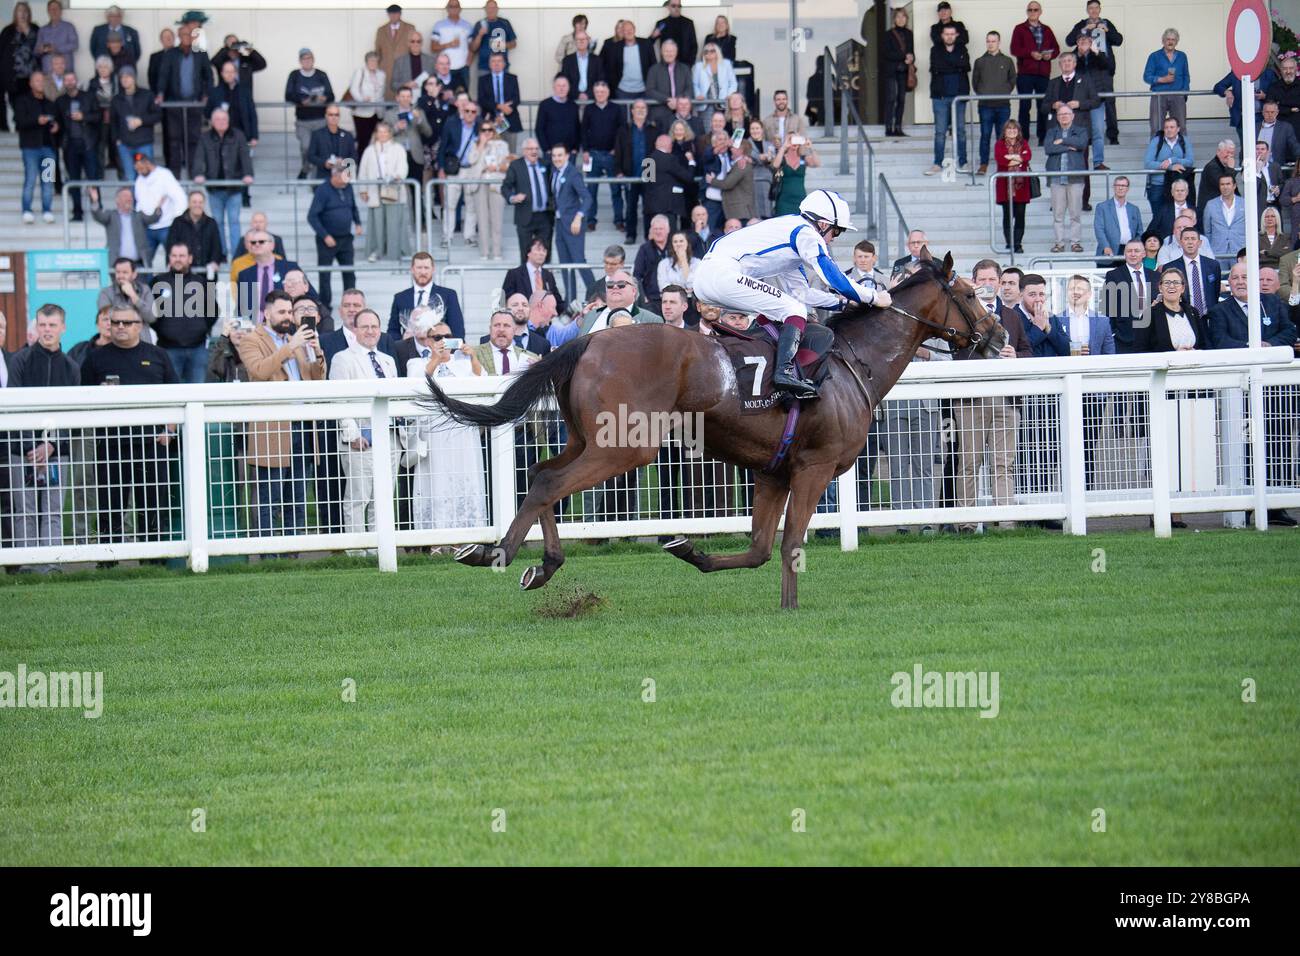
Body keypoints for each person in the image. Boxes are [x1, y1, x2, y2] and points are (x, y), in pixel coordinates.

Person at [692, 189, 891, 399]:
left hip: (709, 278)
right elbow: (833, 277)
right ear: (823, 224)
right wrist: (874, 297)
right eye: (837, 231)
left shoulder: (790, 237)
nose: (834, 238)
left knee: (783, 309)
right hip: (721, 275)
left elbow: (801, 294)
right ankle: (783, 373)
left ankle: (760, 359)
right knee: (792, 310)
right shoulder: (806, 233)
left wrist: (841, 304)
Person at [79, 304, 180, 545]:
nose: (120, 327)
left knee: (153, 505)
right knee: (110, 507)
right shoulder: (95, 358)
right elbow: (82, 399)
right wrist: (98, 396)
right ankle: (109, 561)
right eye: (115, 323)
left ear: (140, 326)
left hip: (152, 443)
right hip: (111, 445)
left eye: (127, 322)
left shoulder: (158, 355)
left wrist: (169, 430)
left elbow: (176, 395)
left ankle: (154, 562)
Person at [235, 291, 327, 541]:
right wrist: (291, 346)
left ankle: (293, 552)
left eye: (290, 312)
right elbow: (258, 371)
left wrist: (317, 352)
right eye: (282, 312)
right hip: (272, 427)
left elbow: (317, 378)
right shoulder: (252, 339)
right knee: (269, 496)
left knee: (297, 496)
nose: (288, 317)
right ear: (267, 314)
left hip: (304, 427)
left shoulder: (295, 340)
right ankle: (268, 553)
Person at [4, 304, 79, 564]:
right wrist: (30, 447)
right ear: (36, 326)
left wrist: (51, 446)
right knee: (24, 510)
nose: (47, 331)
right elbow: (13, 407)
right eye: (43, 325)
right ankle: (28, 564)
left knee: (53, 510)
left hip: (57, 453)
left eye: (52, 325)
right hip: (21, 451)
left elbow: (72, 416)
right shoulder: (20, 361)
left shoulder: (71, 367)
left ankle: (51, 564)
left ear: (63, 328)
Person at [326, 307, 404, 548]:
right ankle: (356, 550)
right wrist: (352, 435)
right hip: (361, 438)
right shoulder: (343, 358)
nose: (370, 331)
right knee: (359, 496)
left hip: (390, 437)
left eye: (374, 327)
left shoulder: (387, 361)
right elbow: (339, 399)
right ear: (355, 329)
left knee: (382, 497)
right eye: (365, 327)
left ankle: (378, 547)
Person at [410, 317, 487, 532]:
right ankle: (435, 535)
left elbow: (482, 384)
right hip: (434, 433)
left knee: (464, 477)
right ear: (428, 341)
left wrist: (473, 357)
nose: (443, 341)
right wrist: (435, 359)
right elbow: (417, 384)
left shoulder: (462, 364)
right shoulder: (416, 363)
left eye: (448, 337)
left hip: (463, 431)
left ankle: (465, 532)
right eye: (437, 337)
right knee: (437, 480)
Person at [150, 241, 220, 384]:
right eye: (174, 255)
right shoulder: (157, 282)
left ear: (190, 258)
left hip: (198, 350)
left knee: (197, 395)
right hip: (168, 349)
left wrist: (200, 328)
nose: (178, 259)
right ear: (169, 258)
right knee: (170, 395)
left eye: (182, 255)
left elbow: (213, 311)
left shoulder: (201, 282)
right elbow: (150, 313)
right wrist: (164, 330)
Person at [190, 109, 253, 259]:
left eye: (224, 119)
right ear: (212, 122)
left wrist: (248, 174)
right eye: (217, 119)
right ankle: (222, 253)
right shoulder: (205, 137)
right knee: (217, 222)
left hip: (234, 189)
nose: (221, 122)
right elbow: (199, 157)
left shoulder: (238, 135)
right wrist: (198, 173)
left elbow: (245, 156)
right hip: (214, 189)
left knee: (234, 221)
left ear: (228, 120)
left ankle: (237, 254)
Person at [154, 23, 211, 177]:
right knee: (174, 141)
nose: (186, 37)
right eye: (183, 35)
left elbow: (208, 76)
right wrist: (160, 93)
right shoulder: (171, 53)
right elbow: (163, 75)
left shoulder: (201, 53)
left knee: (193, 140)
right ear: (179, 37)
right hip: (174, 105)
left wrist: (206, 94)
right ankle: (175, 177)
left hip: (194, 104)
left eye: (189, 34)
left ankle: (193, 175)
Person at [1066, 1, 1123, 145]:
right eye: (1090, 8)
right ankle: (1089, 136)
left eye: (1096, 8)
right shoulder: (1081, 24)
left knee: (1109, 102)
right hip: (1086, 71)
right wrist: (1084, 29)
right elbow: (1069, 41)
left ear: (1100, 9)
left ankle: (1113, 136)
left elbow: (1118, 40)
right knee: (1088, 102)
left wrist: (1107, 31)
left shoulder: (1106, 23)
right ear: (1087, 10)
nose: (1093, 11)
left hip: (1104, 69)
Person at [308, 166, 364, 307]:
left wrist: (357, 223)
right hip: (327, 240)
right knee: (325, 274)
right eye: (344, 179)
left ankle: (352, 303)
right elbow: (312, 216)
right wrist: (325, 235)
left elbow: (353, 207)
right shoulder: (323, 190)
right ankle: (325, 305)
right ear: (335, 176)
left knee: (349, 273)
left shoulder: (348, 187)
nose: (346, 182)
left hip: (345, 238)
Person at [358, 121, 412, 262]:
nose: (382, 134)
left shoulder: (398, 148)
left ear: (390, 133)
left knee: (394, 222)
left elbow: (403, 167)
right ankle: (376, 251)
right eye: (380, 131)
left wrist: (397, 176)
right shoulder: (369, 150)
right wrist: (363, 189)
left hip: (393, 190)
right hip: (374, 191)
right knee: (376, 223)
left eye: (385, 131)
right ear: (376, 134)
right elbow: (363, 170)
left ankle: (396, 252)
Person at [550, 144, 595, 305]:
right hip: (560, 223)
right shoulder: (555, 172)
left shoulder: (573, 173)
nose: (557, 158)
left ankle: (596, 295)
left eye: (560, 155)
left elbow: (587, 198)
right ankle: (571, 301)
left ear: (567, 156)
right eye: (554, 155)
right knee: (565, 265)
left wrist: (579, 217)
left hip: (573, 224)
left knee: (578, 261)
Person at [54, 71, 100, 223]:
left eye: (71, 79)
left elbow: (98, 117)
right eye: (66, 80)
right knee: (73, 180)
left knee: (93, 179)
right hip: (70, 146)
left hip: (88, 144)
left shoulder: (89, 96)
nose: (69, 82)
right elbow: (57, 122)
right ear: (64, 83)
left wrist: (83, 117)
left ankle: (97, 208)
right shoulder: (60, 101)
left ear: (76, 81)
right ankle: (77, 212)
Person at [1010, 3, 1058, 146]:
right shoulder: (1019, 28)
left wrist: (1051, 56)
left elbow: (1056, 49)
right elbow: (1014, 49)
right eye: (1030, 10)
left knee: (1043, 106)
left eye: (1035, 9)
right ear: (1027, 12)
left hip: (1043, 73)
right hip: (1025, 74)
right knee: (1025, 106)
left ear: (1040, 12)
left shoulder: (1047, 29)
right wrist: (1030, 54)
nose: (1032, 12)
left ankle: (1042, 137)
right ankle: (1023, 138)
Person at [501, 138, 556, 262]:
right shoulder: (516, 166)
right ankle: (526, 280)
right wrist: (512, 197)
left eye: (536, 149)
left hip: (545, 216)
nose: (534, 151)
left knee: (545, 253)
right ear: (524, 151)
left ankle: (544, 279)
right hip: (525, 216)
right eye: (531, 149)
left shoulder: (545, 164)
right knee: (526, 255)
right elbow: (505, 187)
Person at [580, 81, 624, 232]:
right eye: (597, 92)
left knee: (616, 190)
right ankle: (591, 220)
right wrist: (585, 150)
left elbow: (621, 132)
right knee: (591, 190)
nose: (600, 94)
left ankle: (619, 220)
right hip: (593, 154)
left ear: (608, 92)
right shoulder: (589, 109)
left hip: (611, 155)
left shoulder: (616, 109)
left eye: (602, 91)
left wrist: (616, 150)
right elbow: (584, 131)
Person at [437, 94, 481, 246]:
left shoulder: (481, 126)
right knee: (450, 204)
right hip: (454, 169)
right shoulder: (452, 123)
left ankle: (469, 236)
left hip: (472, 170)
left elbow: (500, 130)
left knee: (471, 205)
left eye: (473, 111)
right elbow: (442, 147)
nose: (470, 114)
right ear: (463, 111)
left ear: (477, 113)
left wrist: (501, 120)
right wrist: (441, 168)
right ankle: (447, 237)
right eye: (467, 111)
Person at [926, 23, 969, 176]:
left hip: (959, 96)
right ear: (942, 35)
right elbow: (936, 67)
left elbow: (966, 66)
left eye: (952, 34)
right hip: (940, 96)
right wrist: (955, 66)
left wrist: (948, 65)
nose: (949, 36)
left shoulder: (962, 49)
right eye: (946, 34)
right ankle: (938, 163)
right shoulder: (935, 50)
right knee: (940, 132)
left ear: (956, 35)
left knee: (961, 131)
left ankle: (962, 162)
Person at [388, 252, 464, 340]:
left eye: (426, 268)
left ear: (433, 269)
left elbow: (457, 330)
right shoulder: (400, 298)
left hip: (440, 350)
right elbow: (393, 330)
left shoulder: (448, 295)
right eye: (419, 268)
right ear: (412, 269)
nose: (423, 272)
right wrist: (400, 345)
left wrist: (447, 350)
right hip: (408, 351)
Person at [284, 48, 334, 180]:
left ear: (313, 60)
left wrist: (324, 98)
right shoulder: (294, 75)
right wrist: (301, 100)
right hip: (303, 120)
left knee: (320, 148)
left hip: (320, 118)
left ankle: (317, 176)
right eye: (304, 59)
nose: (307, 61)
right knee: (306, 147)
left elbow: (331, 95)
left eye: (309, 58)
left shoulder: (321, 75)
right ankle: (306, 168)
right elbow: (288, 94)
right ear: (300, 61)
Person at [464, 117, 510, 260]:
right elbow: (471, 160)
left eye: (490, 129)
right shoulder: (475, 144)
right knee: (482, 219)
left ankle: (497, 252)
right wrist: (481, 145)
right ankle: (484, 252)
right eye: (483, 130)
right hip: (480, 183)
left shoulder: (502, 144)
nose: (487, 132)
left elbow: (506, 165)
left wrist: (494, 167)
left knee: (496, 219)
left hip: (496, 182)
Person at [14, 71, 56, 224]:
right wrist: (36, 120)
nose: (40, 83)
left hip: (48, 148)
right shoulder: (22, 101)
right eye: (37, 81)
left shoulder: (49, 103)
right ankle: (27, 210)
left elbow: (56, 121)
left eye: (42, 80)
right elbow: (19, 122)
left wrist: (56, 127)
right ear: (31, 83)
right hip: (30, 147)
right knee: (30, 179)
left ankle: (47, 210)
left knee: (48, 181)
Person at [131, 152, 186, 268]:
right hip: (148, 228)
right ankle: (147, 286)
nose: (139, 171)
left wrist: (177, 219)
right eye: (137, 169)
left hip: (167, 226)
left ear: (148, 163)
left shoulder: (164, 175)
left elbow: (180, 198)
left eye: (141, 167)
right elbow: (139, 203)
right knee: (145, 263)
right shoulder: (139, 180)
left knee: (173, 262)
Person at [972, 31, 1016, 176]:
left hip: (1003, 105)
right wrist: (983, 94)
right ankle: (983, 164)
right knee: (985, 135)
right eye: (988, 41)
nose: (991, 44)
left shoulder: (1007, 61)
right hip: (985, 106)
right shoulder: (979, 61)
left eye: (993, 41)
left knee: (1002, 136)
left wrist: (1004, 92)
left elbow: (1012, 80)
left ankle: (1002, 163)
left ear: (999, 42)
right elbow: (975, 82)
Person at [1102, 238, 1156, 353]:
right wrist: (1114, 333)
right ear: (1124, 254)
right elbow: (1108, 308)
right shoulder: (1113, 275)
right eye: (1129, 251)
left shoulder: (1155, 276)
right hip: (1124, 338)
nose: (1132, 254)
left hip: (1152, 337)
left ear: (1144, 254)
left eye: (1136, 251)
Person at [109, 64, 159, 180]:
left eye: (128, 76)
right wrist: (117, 140)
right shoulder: (116, 99)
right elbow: (113, 122)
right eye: (122, 77)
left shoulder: (147, 95)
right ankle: (133, 199)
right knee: (130, 177)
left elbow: (157, 115)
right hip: (125, 144)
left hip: (144, 142)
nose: (125, 79)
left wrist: (141, 121)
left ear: (134, 78)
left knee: (147, 177)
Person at [1160, 227, 1221, 315]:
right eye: (1186, 239)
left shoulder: (1213, 265)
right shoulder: (1170, 267)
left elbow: (1215, 292)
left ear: (1200, 243)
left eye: (1193, 239)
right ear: (1180, 243)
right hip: (1183, 316)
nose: (1190, 242)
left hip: (1209, 317)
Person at [0, 3, 40, 136]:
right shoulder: (8, 30)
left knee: (29, 104)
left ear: (29, 13)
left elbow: (39, 48)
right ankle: (12, 127)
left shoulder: (35, 29)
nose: (22, 14)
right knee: (15, 104)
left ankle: (24, 129)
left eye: (24, 11)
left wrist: (27, 31)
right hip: (13, 76)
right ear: (15, 14)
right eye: (19, 11)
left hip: (30, 76)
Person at [1142, 116, 1193, 221]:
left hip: (1177, 185)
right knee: (1158, 218)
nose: (1169, 130)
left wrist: (1172, 160)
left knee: (1177, 217)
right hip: (1158, 185)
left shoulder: (1184, 141)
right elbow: (1148, 163)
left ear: (1178, 129)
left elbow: (1190, 161)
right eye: (1166, 127)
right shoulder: (1156, 141)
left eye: (1172, 127)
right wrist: (1170, 167)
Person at [1142, 28, 1189, 136]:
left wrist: (1185, 92)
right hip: (1159, 95)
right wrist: (1162, 79)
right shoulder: (1154, 56)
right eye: (1168, 39)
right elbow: (1146, 76)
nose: (1170, 42)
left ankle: (1181, 152)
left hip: (1177, 95)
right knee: (1156, 128)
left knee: (1181, 127)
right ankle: (1156, 152)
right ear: (1163, 41)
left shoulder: (1182, 56)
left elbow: (1186, 76)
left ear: (1177, 41)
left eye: (1173, 39)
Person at [995, 118, 1032, 254]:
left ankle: (1018, 243)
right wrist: (1017, 159)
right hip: (1005, 186)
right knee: (1007, 215)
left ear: (1018, 131)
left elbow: (1027, 157)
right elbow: (1001, 160)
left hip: (1021, 187)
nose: (1012, 131)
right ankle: (1009, 243)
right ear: (1005, 131)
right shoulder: (999, 144)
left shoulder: (1024, 143)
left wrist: (1012, 159)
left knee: (1021, 214)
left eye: (1014, 129)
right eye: (1009, 129)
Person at [165, 191, 224, 274]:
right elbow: (171, 245)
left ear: (204, 204)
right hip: (183, 273)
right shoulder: (178, 222)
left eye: (200, 202)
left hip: (206, 274)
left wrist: (215, 261)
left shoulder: (211, 223)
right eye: (194, 202)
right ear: (189, 204)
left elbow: (217, 246)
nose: (197, 205)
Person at [879, 7, 914, 138]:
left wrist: (911, 57)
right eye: (898, 17)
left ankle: (898, 127)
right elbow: (886, 53)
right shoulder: (888, 34)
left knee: (901, 99)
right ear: (894, 19)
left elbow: (911, 52)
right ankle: (889, 127)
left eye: (903, 17)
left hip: (903, 71)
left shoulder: (909, 34)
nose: (901, 19)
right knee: (891, 99)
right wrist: (904, 55)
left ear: (906, 18)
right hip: (891, 71)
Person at [603, 18, 656, 102]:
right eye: (625, 30)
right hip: (622, 91)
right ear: (622, 32)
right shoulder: (615, 47)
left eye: (630, 29)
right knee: (624, 115)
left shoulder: (646, 44)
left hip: (644, 90)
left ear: (634, 29)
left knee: (642, 115)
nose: (629, 32)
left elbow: (653, 66)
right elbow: (611, 69)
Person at [477, 51, 520, 149]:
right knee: (490, 153)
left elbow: (516, 98)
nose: (496, 64)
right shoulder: (483, 80)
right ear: (489, 64)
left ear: (504, 64)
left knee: (511, 153)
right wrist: (499, 106)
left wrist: (507, 109)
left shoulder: (512, 78)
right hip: (491, 120)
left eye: (499, 61)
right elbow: (482, 100)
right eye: (493, 61)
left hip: (510, 121)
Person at [1093, 175, 1142, 261]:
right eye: (1118, 185)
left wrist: (1134, 248)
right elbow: (1099, 229)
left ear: (1127, 188)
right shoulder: (1102, 207)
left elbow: (1139, 231)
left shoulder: (1134, 209)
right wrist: (1106, 246)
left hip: (1129, 252)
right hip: (1108, 251)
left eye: (1123, 186)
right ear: (1113, 187)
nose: (1120, 188)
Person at [646, 38, 692, 129]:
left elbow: (689, 89)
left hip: (681, 112)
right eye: (666, 51)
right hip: (660, 113)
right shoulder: (654, 69)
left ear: (676, 52)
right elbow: (650, 90)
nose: (669, 54)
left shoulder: (685, 68)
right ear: (662, 52)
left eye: (672, 51)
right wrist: (667, 100)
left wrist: (677, 100)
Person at [772, 132, 821, 216]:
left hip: (800, 199)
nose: (794, 142)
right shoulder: (782, 158)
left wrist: (810, 147)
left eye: (796, 139)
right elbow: (775, 165)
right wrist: (784, 147)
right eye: (791, 140)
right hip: (784, 200)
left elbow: (817, 164)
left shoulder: (803, 158)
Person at [348, 52, 387, 155]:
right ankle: (361, 165)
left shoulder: (381, 74)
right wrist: (362, 99)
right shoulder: (360, 72)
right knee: (363, 141)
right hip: (362, 113)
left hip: (377, 112)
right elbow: (353, 89)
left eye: (375, 61)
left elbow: (381, 93)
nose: (373, 63)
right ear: (366, 61)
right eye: (371, 60)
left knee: (377, 140)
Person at [307, 104, 358, 182]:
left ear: (339, 117)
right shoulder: (317, 134)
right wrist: (324, 163)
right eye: (331, 115)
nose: (334, 117)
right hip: (323, 178)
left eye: (336, 115)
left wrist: (344, 162)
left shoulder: (348, 135)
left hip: (343, 178)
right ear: (326, 116)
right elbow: (311, 156)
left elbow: (354, 157)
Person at [503, 238, 562, 303]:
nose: (541, 253)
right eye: (538, 250)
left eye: (544, 251)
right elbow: (505, 299)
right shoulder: (514, 274)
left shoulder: (548, 275)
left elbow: (557, 301)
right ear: (528, 253)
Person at [657, 230, 701, 315]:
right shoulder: (664, 264)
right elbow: (663, 287)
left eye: (681, 241)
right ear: (672, 245)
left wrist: (684, 260)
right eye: (675, 241)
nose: (678, 244)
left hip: (691, 303)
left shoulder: (697, 263)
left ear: (687, 243)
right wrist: (684, 290)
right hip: (671, 302)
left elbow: (692, 285)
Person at [1203, 174, 1246, 258]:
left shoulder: (1244, 203)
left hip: (1240, 250)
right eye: (1222, 184)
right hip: (1218, 251)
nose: (1225, 187)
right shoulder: (1210, 205)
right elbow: (1207, 231)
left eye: (1228, 184)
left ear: (1234, 186)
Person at [1195, 140, 1238, 223]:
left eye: (1232, 153)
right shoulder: (1212, 167)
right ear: (1218, 152)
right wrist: (1231, 169)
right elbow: (1225, 186)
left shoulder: (1224, 167)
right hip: (1212, 211)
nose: (1230, 156)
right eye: (1227, 152)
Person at [535, 75, 580, 154]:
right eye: (558, 86)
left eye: (564, 86)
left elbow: (577, 128)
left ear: (569, 87)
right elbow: (539, 129)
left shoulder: (573, 106)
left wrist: (576, 148)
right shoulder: (545, 105)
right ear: (554, 87)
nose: (561, 88)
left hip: (570, 152)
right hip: (551, 152)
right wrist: (546, 149)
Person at [469, 1, 517, 73]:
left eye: (493, 8)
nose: (491, 10)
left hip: (502, 67)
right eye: (489, 8)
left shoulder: (505, 23)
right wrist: (480, 35)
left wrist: (501, 45)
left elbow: (514, 44)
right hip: (484, 67)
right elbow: (473, 48)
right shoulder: (479, 24)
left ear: (497, 9)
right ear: (485, 9)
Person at [374, 4, 418, 81]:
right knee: (388, 91)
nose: (393, 16)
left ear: (400, 14)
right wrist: (377, 68)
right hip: (386, 69)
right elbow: (377, 51)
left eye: (396, 13)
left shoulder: (410, 28)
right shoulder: (381, 30)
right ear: (388, 14)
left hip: (405, 67)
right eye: (391, 13)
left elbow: (415, 48)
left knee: (405, 91)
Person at [561, 30, 604, 103]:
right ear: (575, 42)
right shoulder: (567, 60)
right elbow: (565, 81)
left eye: (583, 39)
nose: (581, 41)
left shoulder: (597, 60)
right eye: (578, 39)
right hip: (572, 100)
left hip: (593, 99)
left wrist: (588, 94)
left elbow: (601, 79)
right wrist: (578, 95)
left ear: (588, 41)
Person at [389, 28, 434, 98]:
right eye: (412, 41)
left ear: (422, 43)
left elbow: (435, 81)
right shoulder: (399, 62)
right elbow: (393, 85)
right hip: (407, 100)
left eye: (418, 41)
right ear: (408, 43)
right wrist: (405, 85)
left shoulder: (430, 61)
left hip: (426, 99)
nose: (415, 44)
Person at [652, 0, 698, 66]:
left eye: (679, 6)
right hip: (666, 64)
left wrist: (690, 63)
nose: (677, 8)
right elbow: (650, 43)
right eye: (673, 6)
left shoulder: (688, 23)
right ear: (668, 7)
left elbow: (694, 45)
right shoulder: (662, 23)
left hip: (685, 64)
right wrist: (653, 36)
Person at [35, 0, 74, 75]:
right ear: (48, 11)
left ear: (61, 11)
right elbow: (36, 51)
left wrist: (56, 48)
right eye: (51, 9)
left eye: (56, 8)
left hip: (66, 72)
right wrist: (40, 49)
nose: (54, 11)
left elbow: (74, 45)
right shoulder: (42, 30)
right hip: (48, 72)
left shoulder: (69, 27)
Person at [1259, 100, 1300, 170]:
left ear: (1277, 113)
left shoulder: (1285, 127)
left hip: (1275, 168)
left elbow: (1294, 146)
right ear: (1262, 112)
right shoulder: (1254, 127)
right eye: (1267, 112)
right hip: (1256, 166)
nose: (1270, 114)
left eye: (1272, 112)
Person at [693, 42, 736, 109]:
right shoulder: (699, 66)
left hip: (724, 101)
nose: (709, 53)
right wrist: (698, 95)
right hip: (705, 103)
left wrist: (729, 95)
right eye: (706, 51)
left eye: (712, 51)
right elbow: (694, 84)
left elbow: (733, 82)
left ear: (717, 52)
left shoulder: (726, 64)